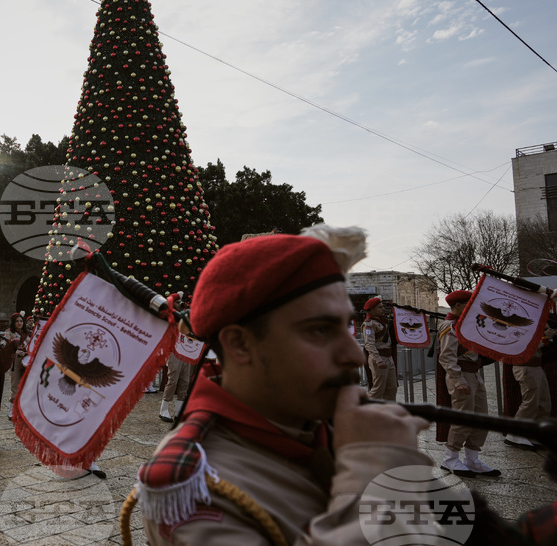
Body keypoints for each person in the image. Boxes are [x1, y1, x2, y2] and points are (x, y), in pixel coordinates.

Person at [136, 227, 433, 544]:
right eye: (319, 330)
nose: (354, 356)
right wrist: (376, 475)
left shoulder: (318, 425)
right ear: (239, 344)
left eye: (346, 328)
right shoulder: (195, 484)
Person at [437, 289, 501, 477]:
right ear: (457, 305)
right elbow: (447, 357)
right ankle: (450, 459)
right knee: (463, 417)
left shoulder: (466, 325)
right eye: (467, 303)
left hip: (474, 373)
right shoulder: (450, 326)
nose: (471, 307)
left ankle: (472, 459)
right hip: (461, 374)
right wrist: (458, 380)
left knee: (481, 417)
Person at [361, 297, 397, 400]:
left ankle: (389, 411)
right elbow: (369, 344)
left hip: (388, 357)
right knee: (378, 389)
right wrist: (378, 360)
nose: (383, 309)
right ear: (372, 309)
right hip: (379, 358)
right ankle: (366, 409)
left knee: (392, 387)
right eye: (380, 307)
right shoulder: (369, 324)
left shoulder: (383, 321)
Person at [159, 346, 193, 423]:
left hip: (187, 352)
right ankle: (163, 410)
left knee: (185, 381)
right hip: (175, 350)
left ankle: (179, 411)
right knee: (173, 381)